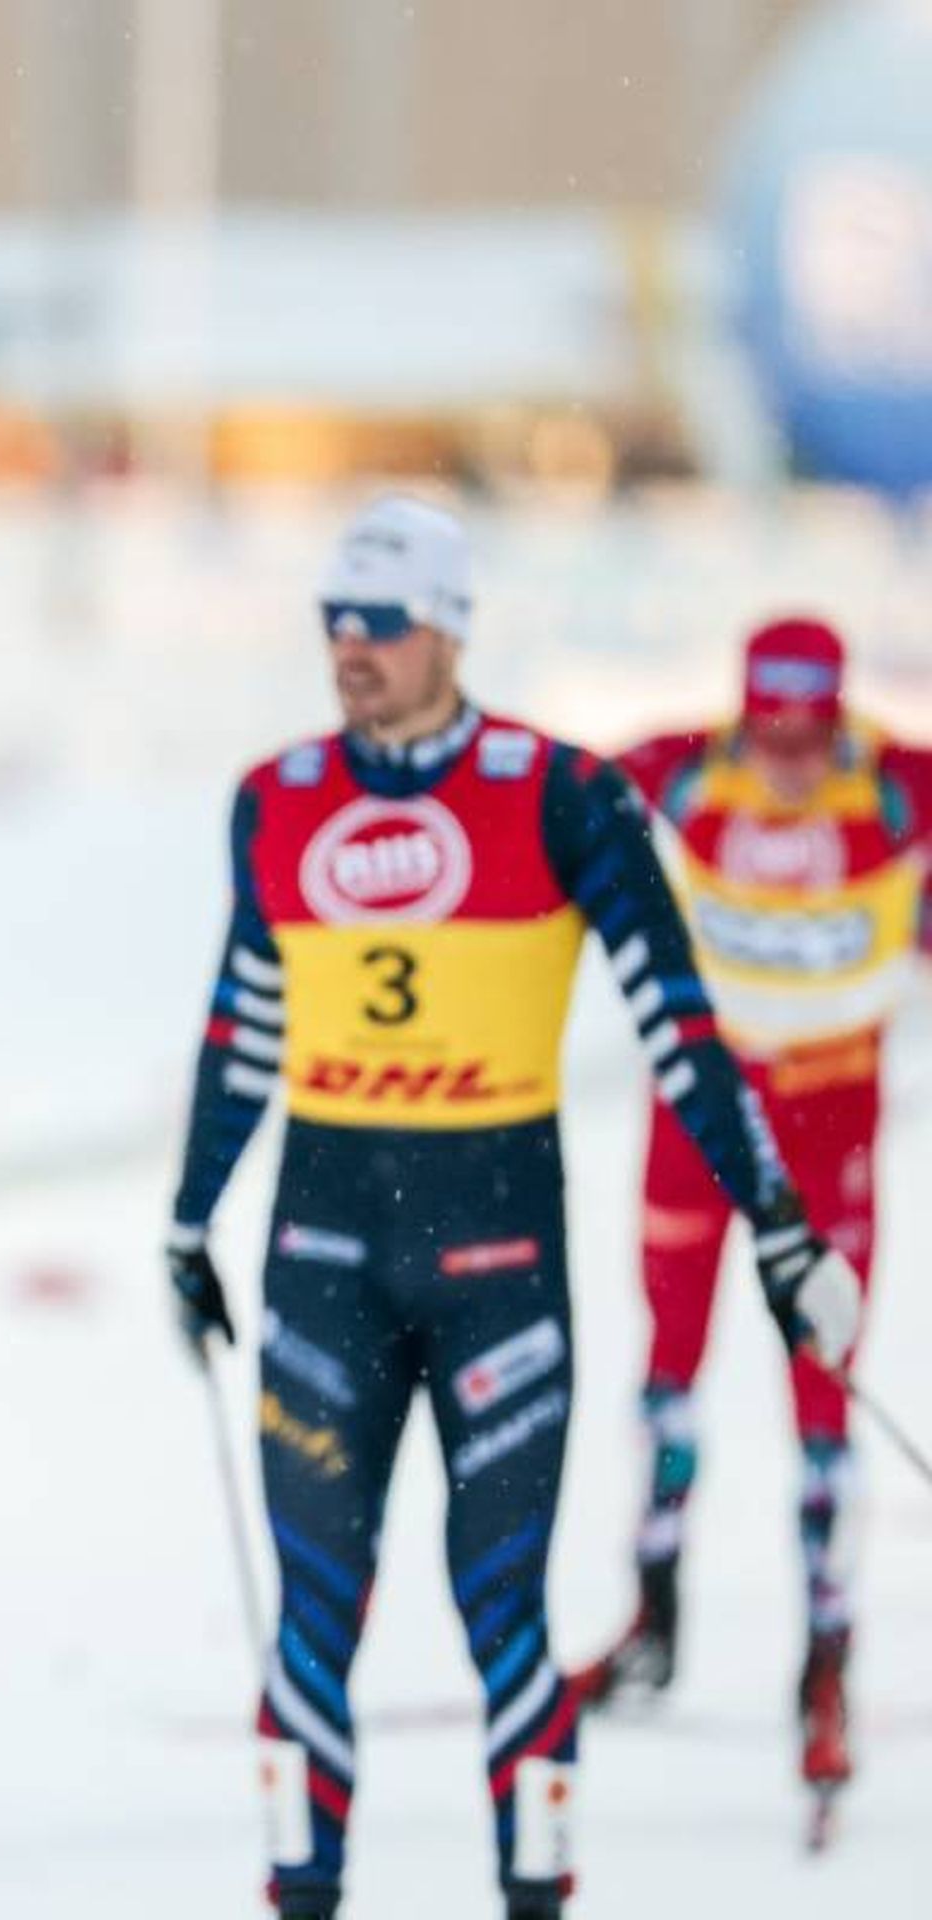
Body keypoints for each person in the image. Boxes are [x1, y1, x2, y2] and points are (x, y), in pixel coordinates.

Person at [162, 500, 861, 1920]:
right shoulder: (277, 796)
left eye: (385, 623)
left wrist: (779, 1227)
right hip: (323, 1269)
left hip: (498, 1271)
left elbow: (679, 1023)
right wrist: (189, 1226)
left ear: (453, 626)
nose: (353, 649)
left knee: (504, 1622)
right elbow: (244, 1025)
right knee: (311, 1625)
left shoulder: (561, 794)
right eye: (335, 622)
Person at [579, 616, 931, 1803]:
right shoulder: (683, 769)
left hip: (831, 1130)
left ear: (839, 718)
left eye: (809, 733)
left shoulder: (900, 790)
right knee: (668, 1369)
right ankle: (653, 1612)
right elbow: (551, 806)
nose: (786, 758)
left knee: (824, 1393)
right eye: (769, 730)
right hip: (703, 1118)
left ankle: (827, 1658)